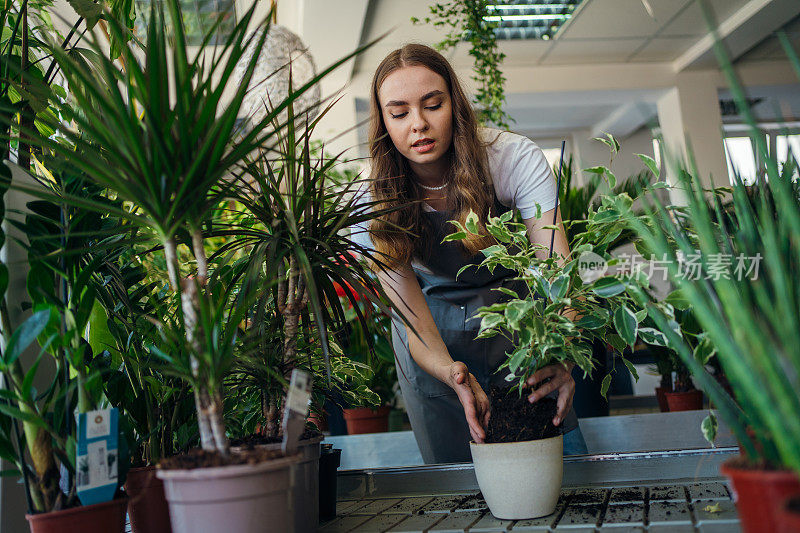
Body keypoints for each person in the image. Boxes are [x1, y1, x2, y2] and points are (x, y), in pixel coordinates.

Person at [353, 43, 588, 463]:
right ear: (384, 122)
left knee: (561, 470)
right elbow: (412, 320)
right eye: (400, 112)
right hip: (432, 340)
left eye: (433, 105)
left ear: (454, 105)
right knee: (455, 488)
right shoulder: (369, 196)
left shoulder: (512, 159)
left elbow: (557, 273)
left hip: (517, 327)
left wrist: (563, 354)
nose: (419, 124)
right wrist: (451, 373)